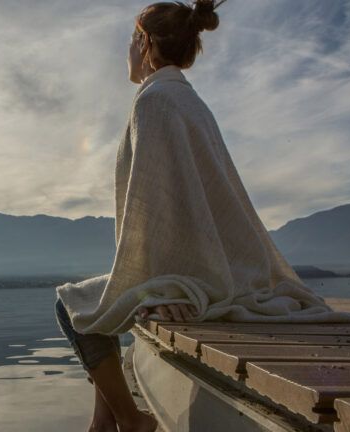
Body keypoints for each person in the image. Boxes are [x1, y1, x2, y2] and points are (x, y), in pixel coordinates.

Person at [54, 1, 225, 431]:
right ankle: (103, 422)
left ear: (145, 43)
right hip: (204, 265)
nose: (128, 51)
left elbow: (163, 206)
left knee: (69, 303)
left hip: (186, 275)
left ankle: (130, 422)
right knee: (100, 301)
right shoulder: (185, 98)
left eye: (132, 40)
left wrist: (167, 281)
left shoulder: (155, 102)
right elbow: (186, 202)